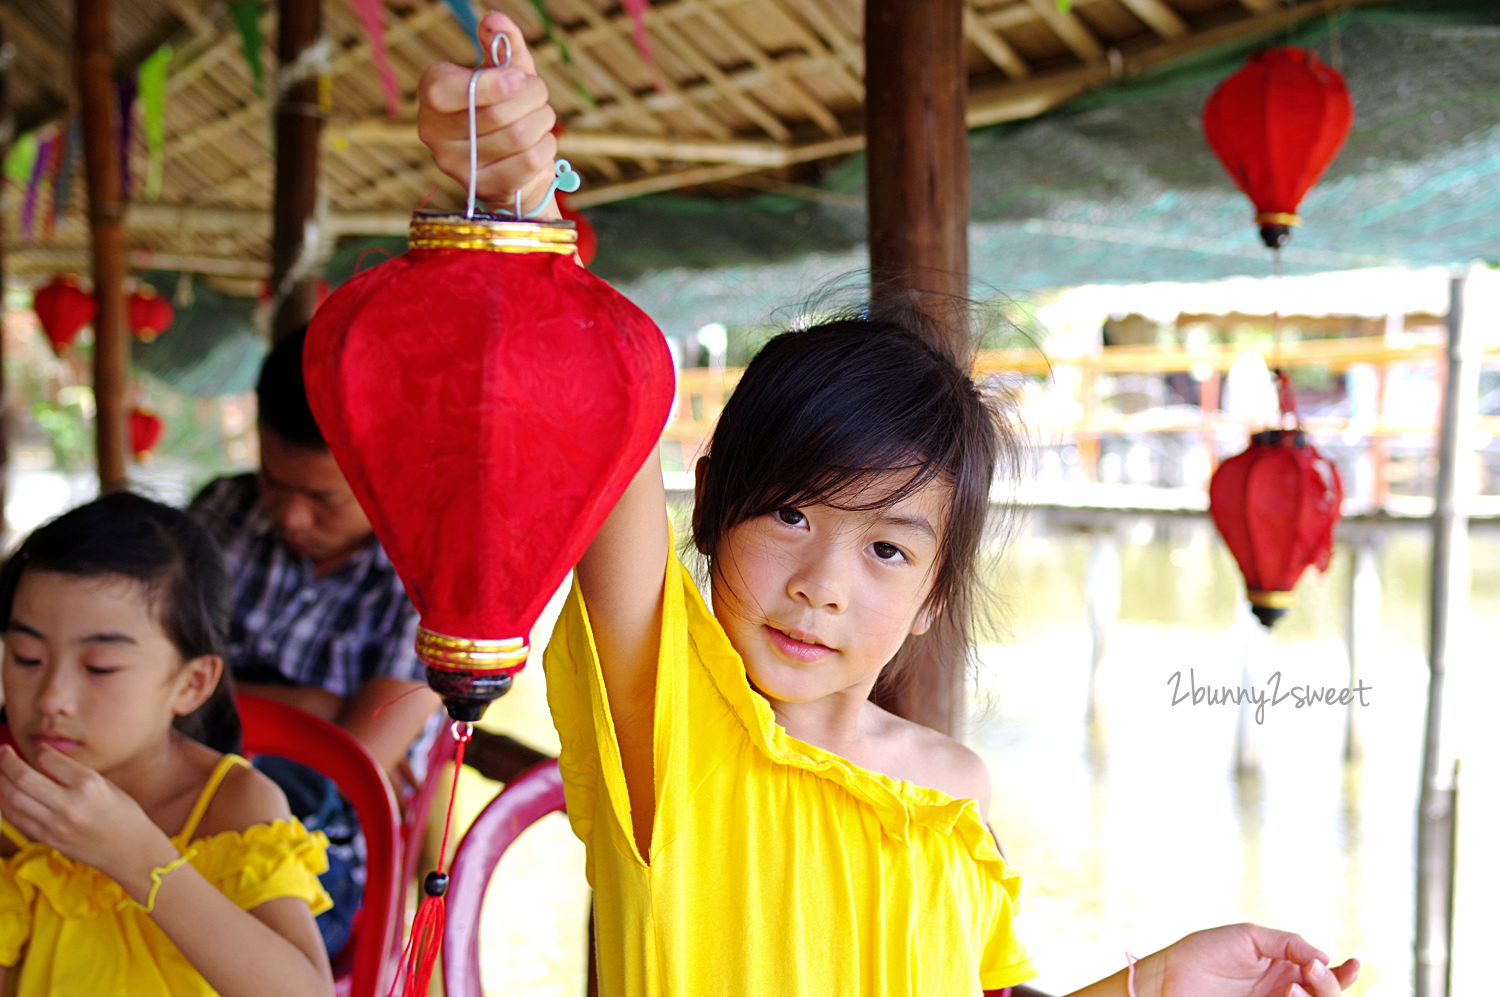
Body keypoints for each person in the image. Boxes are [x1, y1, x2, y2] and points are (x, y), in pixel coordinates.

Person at [412, 15, 1363, 997]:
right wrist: (518, 196)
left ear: (937, 595)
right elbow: (593, 408)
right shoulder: (665, 708)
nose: (822, 583)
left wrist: (1156, 984)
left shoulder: (952, 786)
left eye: (889, 551)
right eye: (790, 516)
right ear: (707, 513)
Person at [0, 493, 333, 997]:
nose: (52, 698)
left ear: (192, 684)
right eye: (26, 658)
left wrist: (138, 860)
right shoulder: (12, 805)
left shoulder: (232, 806)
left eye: (100, 668)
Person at [189, 325, 439, 954]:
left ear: (389, 467)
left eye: (322, 498)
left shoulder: (431, 577)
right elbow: (141, 691)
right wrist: (314, 710)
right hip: (168, 804)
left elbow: (346, 766)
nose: (290, 516)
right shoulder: (223, 512)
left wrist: (213, 697)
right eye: (275, 482)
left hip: (312, 856)